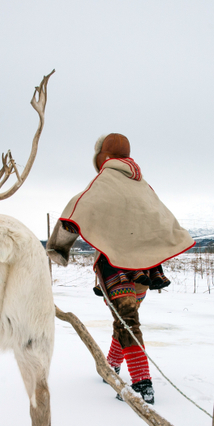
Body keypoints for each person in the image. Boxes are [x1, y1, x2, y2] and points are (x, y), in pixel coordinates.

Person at [47, 133, 194, 404]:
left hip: (115, 265)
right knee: (127, 315)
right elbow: (161, 216)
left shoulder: (105, 181)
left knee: (127, 318)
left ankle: (141, 385)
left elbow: (76, 210)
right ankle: (111, 367)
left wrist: (58, 248)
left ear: (103, 157)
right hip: (145, 268)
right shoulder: (143, 186)